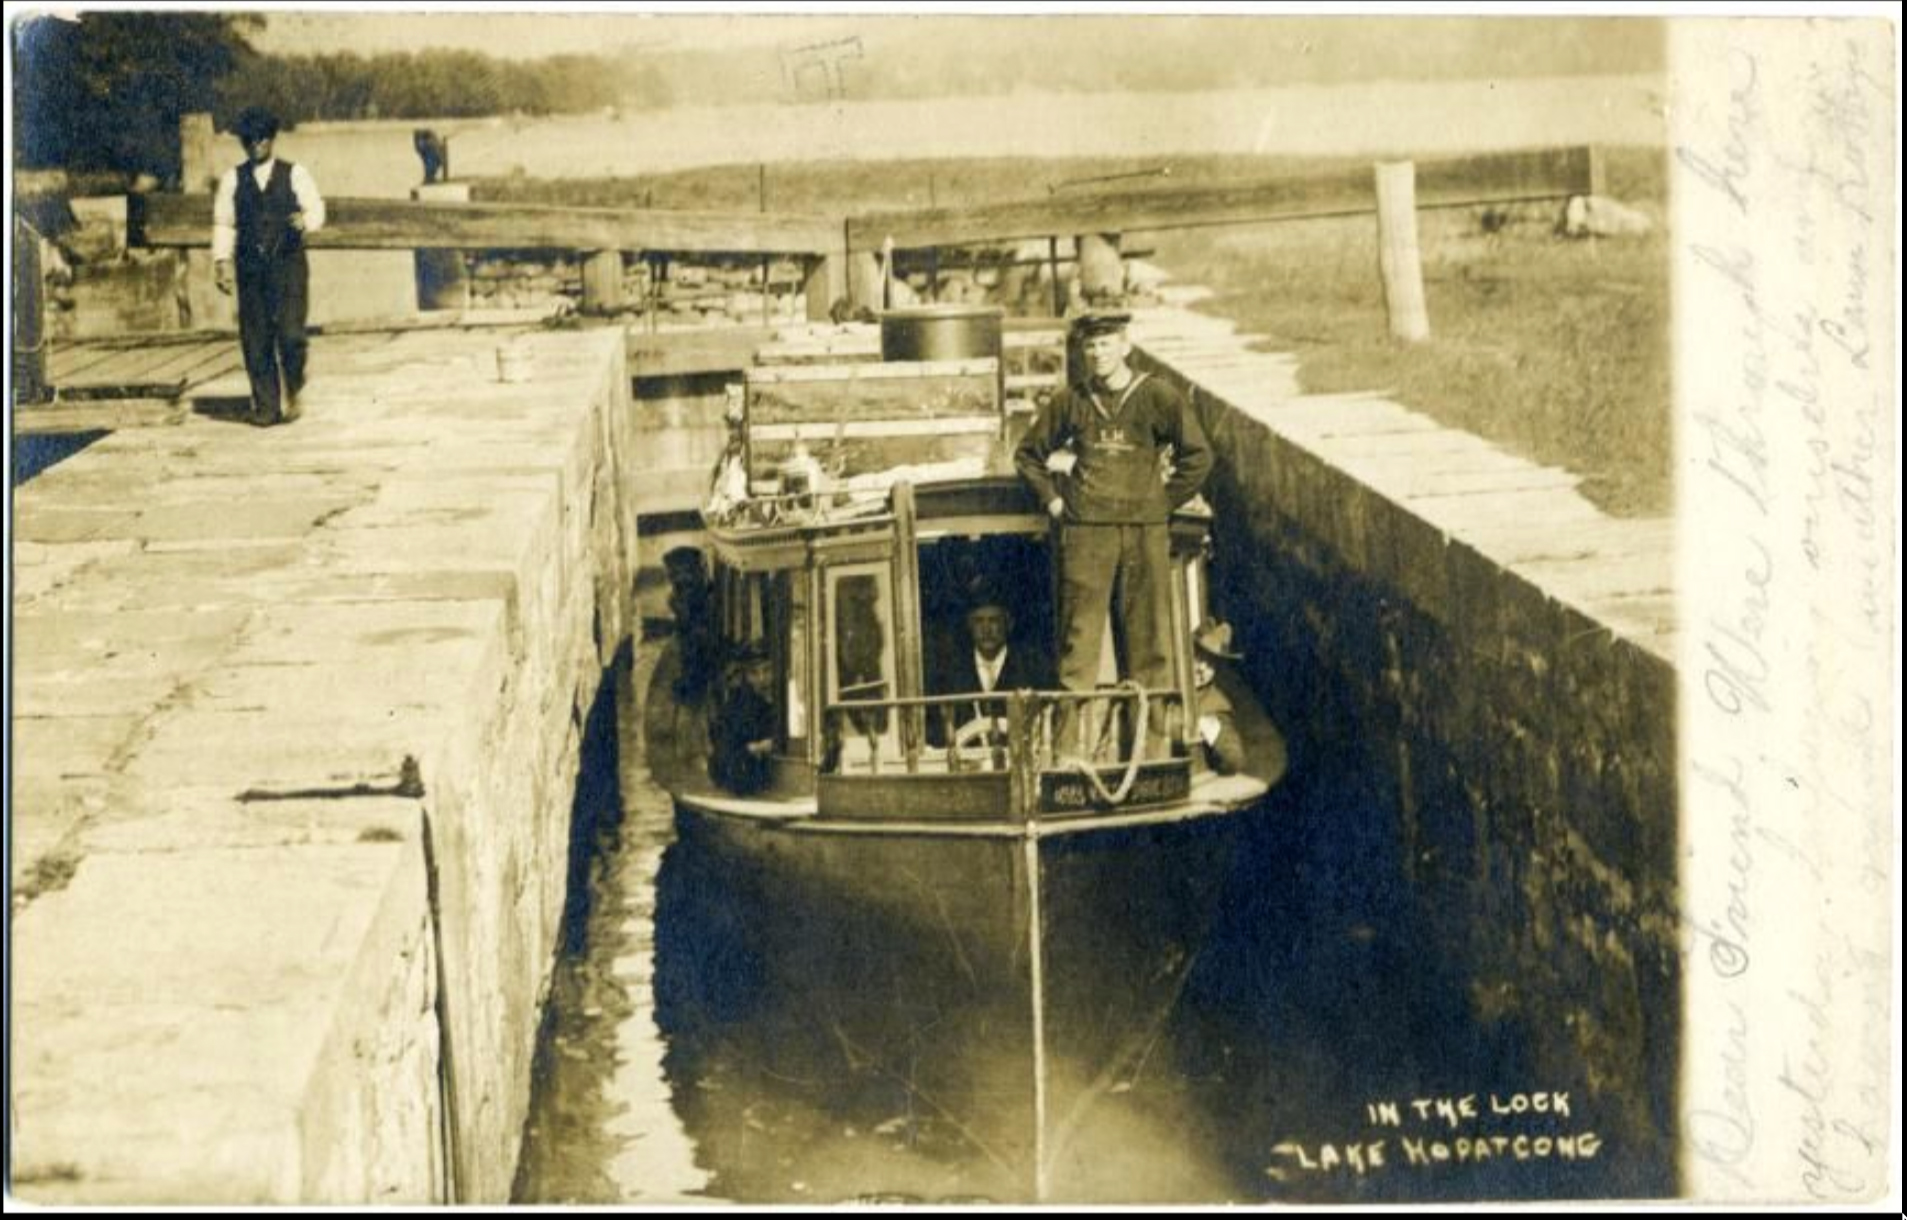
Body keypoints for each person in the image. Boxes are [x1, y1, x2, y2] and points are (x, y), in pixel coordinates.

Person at [1013, 310, 1213, 706]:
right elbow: (1027, 455)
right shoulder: (1072, 400)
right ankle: (1074, 753)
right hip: (1088, 534)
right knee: (1080, 646)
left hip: (1144, 533)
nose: (1098, 353)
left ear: (1126, 345)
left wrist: (1160, 502)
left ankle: (1153, 752)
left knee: (1150, 647)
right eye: (1090, 345)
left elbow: (1199, 456)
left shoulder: (1157, 395)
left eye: (1106, 343)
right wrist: (1053, 500)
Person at [212, 106, 325, 427]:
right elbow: (224, 224)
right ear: (243, 143)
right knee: (256, 337)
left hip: (288, 264)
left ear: (271, 139)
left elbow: (316, 208)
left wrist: (305, 220)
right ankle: (266, 407)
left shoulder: (295, 173)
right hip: (250, 269)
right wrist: (222, 262)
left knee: (290, 334)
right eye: (249, 140)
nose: (255, 144)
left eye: (261, 138)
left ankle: (295, 384)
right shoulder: (232, 179)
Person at [928, 586, 1054, 749]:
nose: (986, 629)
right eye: (979, 621)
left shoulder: (1033, 667)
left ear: (1009, 623)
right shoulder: (950, 672)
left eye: (994, 620)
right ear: (969, 625)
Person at [709, 642, 777, 795]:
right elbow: (723, 754)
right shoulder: (735, 708)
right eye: (755, 673)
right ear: (746, 676)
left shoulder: (781, 700)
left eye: (767, 671)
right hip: (745, 784)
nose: (762, 679)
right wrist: (754, 748)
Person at [1191, 620, 1248, 776]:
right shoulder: (1166, 682)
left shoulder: (1216, 704)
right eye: (1199, 656)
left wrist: (1210, 728)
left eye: (1211, 664)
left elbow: (1235, 759)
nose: (1202, 669)